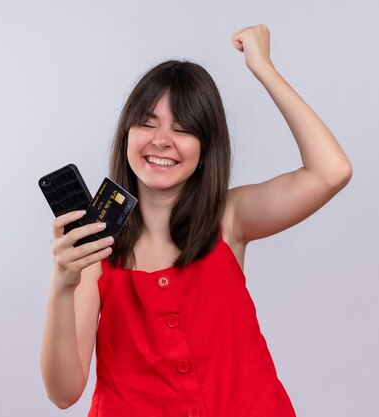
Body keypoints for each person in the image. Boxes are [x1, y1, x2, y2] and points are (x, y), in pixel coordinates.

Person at [40, 24, 352, 416]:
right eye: (147, 123)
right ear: (127, 135)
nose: (161, 140)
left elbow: (331, 171)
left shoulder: (231, 218)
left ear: (206, 148)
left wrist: (263, 68)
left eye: (183, 128)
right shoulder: (96, 250)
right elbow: (63, 393)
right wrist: (62, 283)